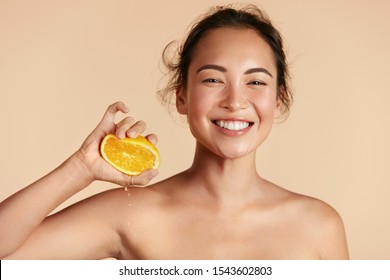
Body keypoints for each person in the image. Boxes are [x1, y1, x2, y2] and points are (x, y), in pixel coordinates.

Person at [0, 4, 349, 259]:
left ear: (279, 99)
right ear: (182, 96)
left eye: (256, 81)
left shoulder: (319, 225)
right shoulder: (131, 214)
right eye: (213, 79)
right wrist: (80, 167)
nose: (234, 101)